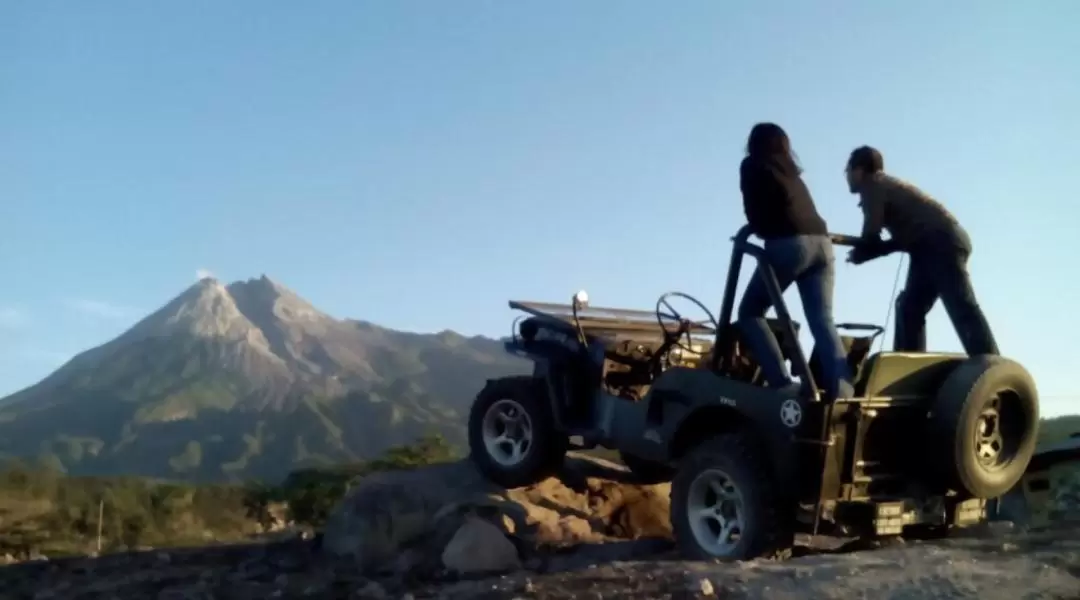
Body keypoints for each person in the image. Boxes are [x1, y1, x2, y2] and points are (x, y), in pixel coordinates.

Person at [844, 145, 999, 356]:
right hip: (927, 248)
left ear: (859, 170)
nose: (847, 177)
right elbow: (898, 242)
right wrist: (864, 253)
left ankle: (989, 361)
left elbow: (871, 236)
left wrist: (860, 253)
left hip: (940, 243)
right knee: (909, 308)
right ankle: (909, 363)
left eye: (847, 171)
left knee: (961, 306)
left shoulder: (873, 185)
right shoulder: (885, 185)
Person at [737, 123, 854, 399]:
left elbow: (753, 213)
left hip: (790, 243)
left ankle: (781, 383)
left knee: (750, 313)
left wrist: (759, 229)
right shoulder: (792, 172)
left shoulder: (752, 165)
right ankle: (843, 390)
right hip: (823, 244)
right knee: (822, 318)